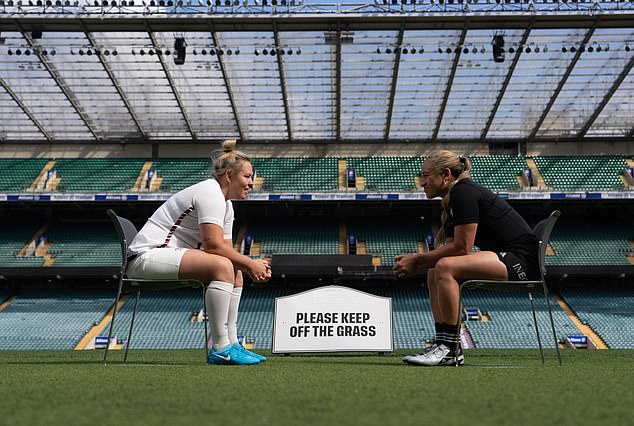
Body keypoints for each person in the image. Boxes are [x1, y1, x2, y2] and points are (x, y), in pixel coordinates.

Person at [127, 140, 271, 365]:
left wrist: (247, 266)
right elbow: (213, 246)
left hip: (166, 256)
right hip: (145, 257)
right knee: (223, 266)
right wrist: (251, 263)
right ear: (229, 176)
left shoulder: (226, 204)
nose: (251, 183)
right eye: (247, 176)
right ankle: (221, 347)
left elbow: (226, 250)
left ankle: (232, 343)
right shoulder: (209, 191)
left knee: (235, 270)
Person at [393, 150, 539, 366]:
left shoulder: (463, 192)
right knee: (436, 268)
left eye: (426, 175)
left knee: (444, 267)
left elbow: (461, 247)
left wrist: (417, 259)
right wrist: (422, 261)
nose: (422, 182)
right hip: (508, 256)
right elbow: (453, 248)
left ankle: (451, 349)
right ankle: (443, 344)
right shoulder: (455, 195)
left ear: (446, 175)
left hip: (522, 261)